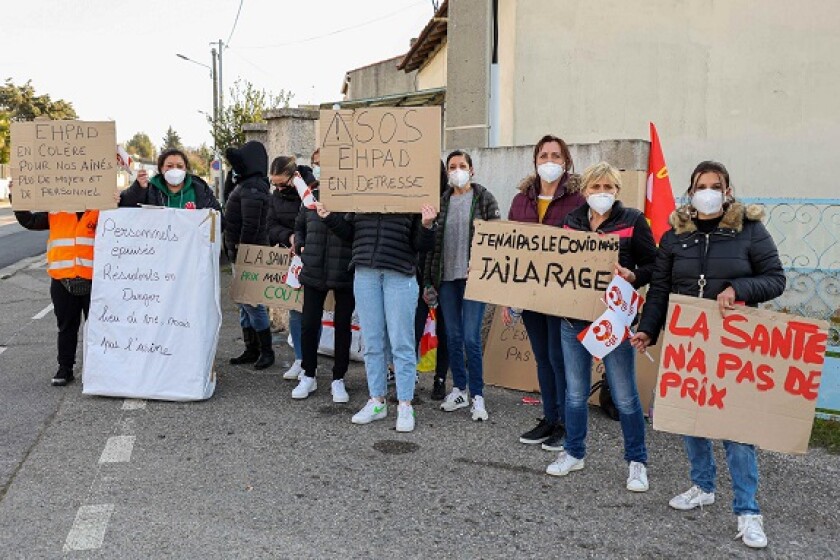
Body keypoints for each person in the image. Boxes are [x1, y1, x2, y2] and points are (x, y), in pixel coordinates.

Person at [630, 161, 786, 549]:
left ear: (728, 190)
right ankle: (702, 485)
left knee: (736, 431)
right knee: (691, 419)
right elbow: (661, 290)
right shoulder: (674, 237)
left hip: (733, 346)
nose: (709, 191)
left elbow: (775, 278)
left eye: (716, 185)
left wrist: (736, 287)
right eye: (702, 185)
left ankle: (748, 511)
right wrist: (648, 329)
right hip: (689, 346)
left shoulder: (750, 230)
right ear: (691, 191)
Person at [545, 162, 656, 492]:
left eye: (609, 187)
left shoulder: (633, 220)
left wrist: (634, 276)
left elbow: (655, 264)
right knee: (575, 393)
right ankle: (573, 452)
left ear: (617, 191)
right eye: (596, 187)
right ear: (585, 191)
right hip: (573, 321)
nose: (602, 193)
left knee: (624, 395)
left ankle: (637, 462)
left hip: (614, 323)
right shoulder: (572, 221)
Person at [319, 202, 437, 432]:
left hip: (400, 275)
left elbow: (422, 245)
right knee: (372, 341)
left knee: (401, 342)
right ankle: (377, 400)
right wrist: (330, 218)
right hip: (365, 273)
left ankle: (405, 404)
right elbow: (350, 235)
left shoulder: (411, 196)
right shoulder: (363, 196)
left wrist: (426, 224)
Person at [506, 134, 584, 451]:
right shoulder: (520, 200)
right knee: (542, 357)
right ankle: (549, 417)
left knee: (558, 357)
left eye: (555, 155)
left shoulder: (578, 200)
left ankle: (566, 422)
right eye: (543, 156)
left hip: (562, 293)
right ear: (535, 161)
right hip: (529, 292)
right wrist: (508, 296)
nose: (549, 161)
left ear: (565, 162)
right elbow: (509, 247)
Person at [11, 179, 113, 386]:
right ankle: (65, 368)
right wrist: (17, 198)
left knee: (99, 327)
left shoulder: (101, 210)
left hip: (95, 279)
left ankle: (101, 371)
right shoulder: (56, 211)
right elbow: (29, 221)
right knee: (66, 326)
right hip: (62, 278)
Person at [424, 150, 500, 420]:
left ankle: (477, 395)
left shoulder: (484, 198)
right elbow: (431, 245)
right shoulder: (440, 202)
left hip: (474, 280)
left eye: (462, 166)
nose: (457, 170)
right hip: (446, 279)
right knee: (453, 337)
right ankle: (459, 388)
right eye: (452, 166)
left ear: (472, 170)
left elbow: (497, 239)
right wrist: (428, 281)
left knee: (470, 337)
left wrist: (482, 265)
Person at [290, 171, 355, 402]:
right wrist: (300, 245)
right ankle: (309, 374)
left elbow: (351, 234)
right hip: (314, 270)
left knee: (342, 326)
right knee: (309, 324)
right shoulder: (310, 198)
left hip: (344, 271)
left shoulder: (352, 200)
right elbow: (299, 228)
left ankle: (339, 378)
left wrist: (329, 218)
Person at [224, 140, 275, 370]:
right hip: (242, 254)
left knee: (253, 304)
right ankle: (251, 348)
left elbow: (251, 226)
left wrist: (243, 255)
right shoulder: (247, 185)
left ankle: (266, 351)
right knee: (245, 304)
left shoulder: (253, 188)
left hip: (248, 255)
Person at [267, 156, 307, 380]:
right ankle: (300, 359)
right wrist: (289, 236)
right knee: (295, 310)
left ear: (294, 177)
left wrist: (301, 239)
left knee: (310, 312)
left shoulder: (310, 189)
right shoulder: (276, 195)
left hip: (310, 254)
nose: (279, 188)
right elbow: (271, 225)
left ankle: (309, 362)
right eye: (274, 183)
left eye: (282, 183)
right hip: (291, 257)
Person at [416, 162, 450, 400]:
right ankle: (411, 376)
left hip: (444, 274)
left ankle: (440, 380)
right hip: (416, 273)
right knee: (413, 328)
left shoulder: (450, 200)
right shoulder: (413, 200)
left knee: (445, 330)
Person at [120, 149, 222, 212]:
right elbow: (124, 204)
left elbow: (218, 219)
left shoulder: (200, 190)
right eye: (169, 166)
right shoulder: (151, 190)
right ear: (161, 169)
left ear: (185, 169)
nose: (175, 169)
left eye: (179, 166)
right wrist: (139, 188)